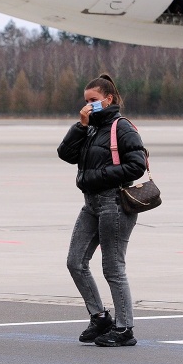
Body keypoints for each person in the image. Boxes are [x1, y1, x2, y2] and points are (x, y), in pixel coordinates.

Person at [57, 74, 147, 347]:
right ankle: (99, 317)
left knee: (113, 267)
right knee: (75, 261)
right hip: (91, 204)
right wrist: (81, 126)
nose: (88, 106)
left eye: (93, 101)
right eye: (86, 101)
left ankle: (124, 328)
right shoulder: (92, 128)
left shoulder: (122, 127)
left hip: (115, 204)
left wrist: (97, 176)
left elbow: (137, 165)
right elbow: (65, 153)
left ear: (108, 100)